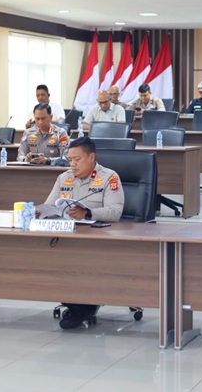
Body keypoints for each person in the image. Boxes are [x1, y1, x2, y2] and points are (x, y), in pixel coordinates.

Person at [43, 137, 125, 329]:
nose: (72, 164)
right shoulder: (64, 178)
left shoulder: (109, 177)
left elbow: (115, 212)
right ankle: (75, 304)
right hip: (68, 236)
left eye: (77, 159)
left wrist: (88, 213)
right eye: (70, 159)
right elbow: (49, 206)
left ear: (91, 157)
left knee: (82, 262)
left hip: (98, 238)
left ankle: (82, 306)